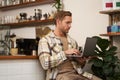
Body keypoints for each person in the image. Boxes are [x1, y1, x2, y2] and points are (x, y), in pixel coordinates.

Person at [38, 11, 102, 80]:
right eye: (67, 22)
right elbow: (45, 63)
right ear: (58, 22)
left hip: (77, 74)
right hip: (59, 76)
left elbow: (79, 66)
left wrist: (81, 61)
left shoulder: (73, 42)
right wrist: (65, 53)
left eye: (70, 23)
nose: (70, 26)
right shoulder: (45, 40)